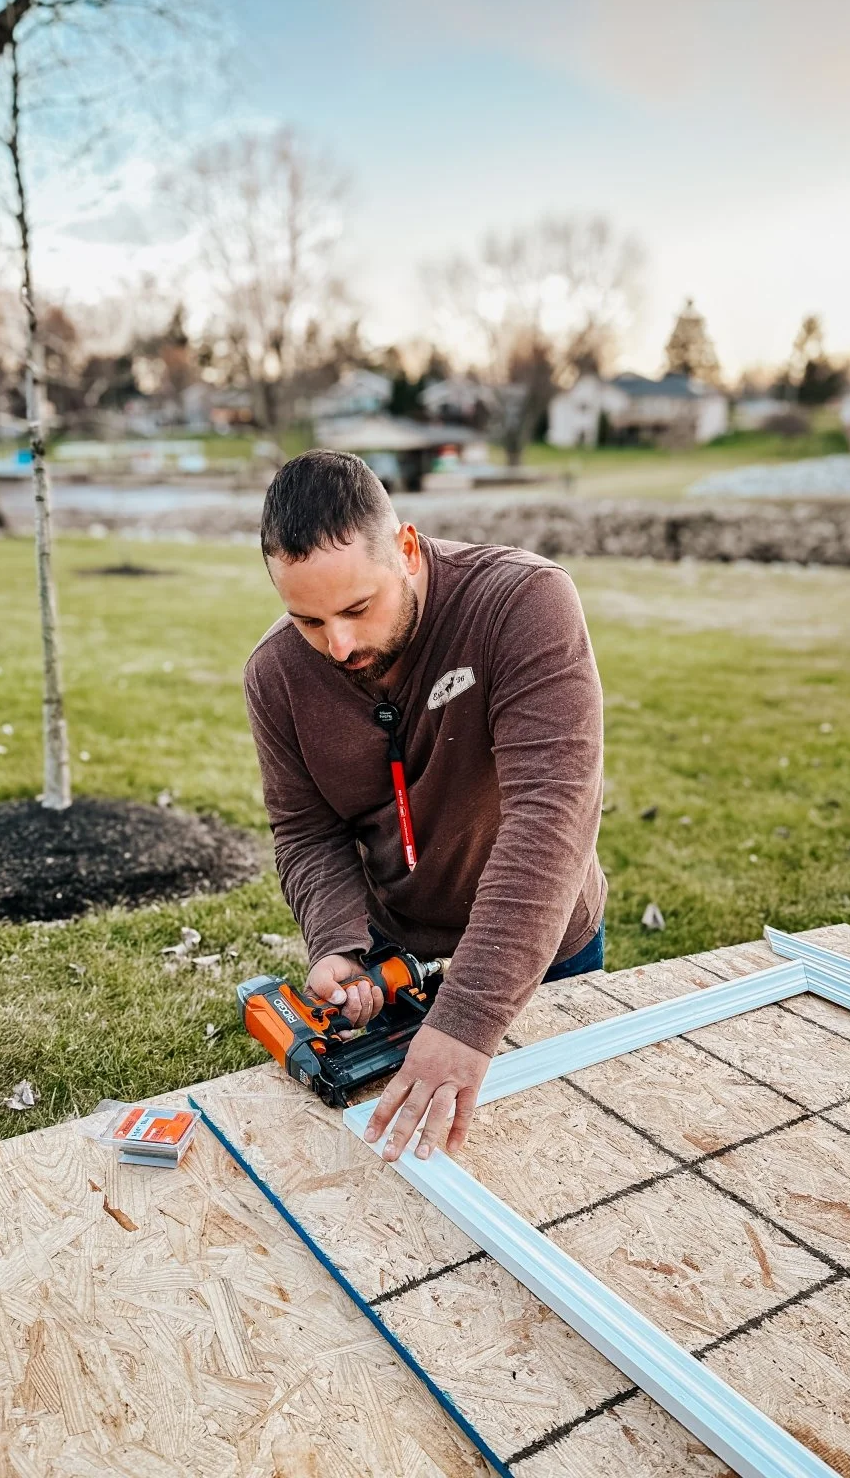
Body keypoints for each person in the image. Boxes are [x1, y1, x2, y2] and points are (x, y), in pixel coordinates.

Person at [244, 450, 605, 1164]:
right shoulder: (276, 674)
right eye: (308, 620)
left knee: (568, 1156)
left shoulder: (522, 602)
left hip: (540, 952)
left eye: (357, 608)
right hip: (397, 960)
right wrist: (338, 943)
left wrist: (468, 1016)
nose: (338, 645)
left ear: (407, 549)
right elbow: (307, 832)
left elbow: (551, 816)